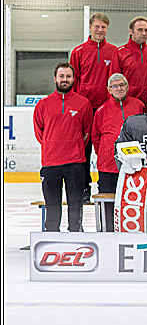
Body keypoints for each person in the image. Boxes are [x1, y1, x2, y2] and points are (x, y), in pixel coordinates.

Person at [34, 63, 94, 232]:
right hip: (50, 164)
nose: (65, 80)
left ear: (74, 79)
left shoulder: (83, 103)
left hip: (75, 164)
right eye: (61, 76)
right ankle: (52, 239)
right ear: (55, 79)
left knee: (75, 207)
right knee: (52, 208)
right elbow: (40, 133)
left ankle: (75, 237)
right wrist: (52, 144)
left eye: (68, 76)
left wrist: (73, 146)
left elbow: (86, 132)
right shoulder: (43, 105)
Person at [91, 73, 144, 231]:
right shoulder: (101, 111)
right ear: (109, 89)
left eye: (122, 85)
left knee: (132, 203)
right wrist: (107, 153)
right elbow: (96, 137)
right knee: (108, 203)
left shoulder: (138, 106)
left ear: (127, 87)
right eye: (115, 86)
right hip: (108, 167)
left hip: (133, 165)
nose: (119, 88)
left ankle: (132, 232)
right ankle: (107, 233)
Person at [69, 12, 121, 110]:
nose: (100, 30)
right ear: (90, 27)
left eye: (103, 27)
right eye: (97, 27)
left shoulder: (114, 51)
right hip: (84, 103)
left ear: (107, 28)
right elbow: (73, 80)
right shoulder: (78, 52)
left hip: (107, 104)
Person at [117, 16, 147, 109]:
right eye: (140, 30)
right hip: (129, 106)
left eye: (146, 30)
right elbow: (114, 81)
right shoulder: (120, 53)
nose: (144, 33)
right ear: (130, 31)